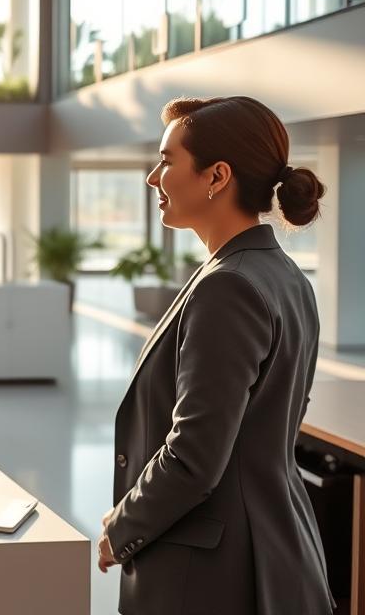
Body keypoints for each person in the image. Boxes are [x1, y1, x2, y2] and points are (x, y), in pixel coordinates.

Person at [97, 96, 333, 615]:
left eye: (167, 161)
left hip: (216, 576)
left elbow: (194, 456)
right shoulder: (286, 277)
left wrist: (121, 527)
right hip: (275, 549)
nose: (153, 178)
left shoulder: (228, 287)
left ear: (216, 176)